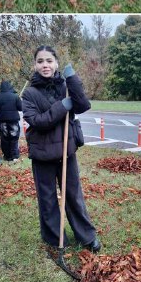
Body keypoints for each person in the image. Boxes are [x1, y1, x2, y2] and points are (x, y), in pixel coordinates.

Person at [22, 46, 100, 252]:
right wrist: (62, 107)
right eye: (40, 61)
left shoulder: (66, 86)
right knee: (47, 198)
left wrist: (72, 79)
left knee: (73, 195)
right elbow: (37, 121)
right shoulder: (29, 93)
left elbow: (83, 105)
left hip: (67, 151)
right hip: (42, 154)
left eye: (49, 60)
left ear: (56, 63)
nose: (45, 65)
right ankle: (55, 238)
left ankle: (87, 236)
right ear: (35, 65)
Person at [0, 80, 23, 161]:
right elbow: (21, 108)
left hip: (3, 121)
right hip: (13, 120)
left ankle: (7, 156)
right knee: (14, 138)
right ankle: (14, 156)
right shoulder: (15, 96)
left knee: (5, 139)